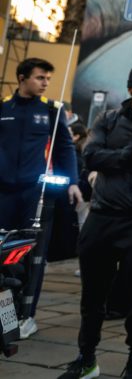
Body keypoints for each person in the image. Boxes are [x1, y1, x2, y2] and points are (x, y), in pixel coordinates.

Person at [57, 59, 132, 379]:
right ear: (131, 90)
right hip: (102, 216)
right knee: (93, 294)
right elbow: (91, 156)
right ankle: (86, 358)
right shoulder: (108, 119)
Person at [0, 57, 78, 340]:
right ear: (22, 78)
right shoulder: (3, 108)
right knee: (3, 255)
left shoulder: (52, 110)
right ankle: (5, 315)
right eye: (39, 78)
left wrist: (73, 182)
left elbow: (65, 148)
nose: (45, 83)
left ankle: (26, 315)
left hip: (34, 194)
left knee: (32, 257)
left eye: (47, 79)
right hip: (3, 193)